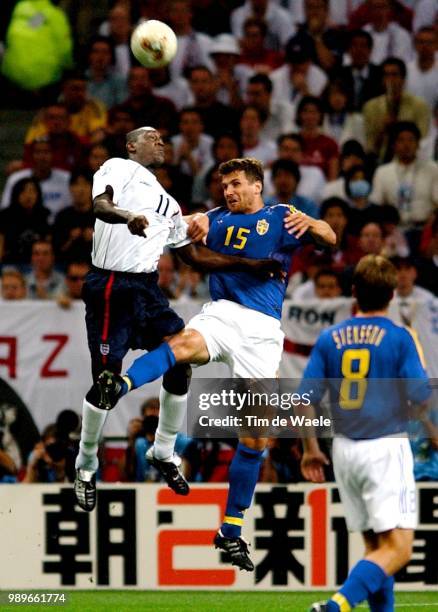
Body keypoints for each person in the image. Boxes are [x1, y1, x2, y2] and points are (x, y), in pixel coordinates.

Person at [94, 157, 336, 570]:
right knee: (185, 344)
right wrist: (188, 228)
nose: (229, 191)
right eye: (224, 185)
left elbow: (330, 237)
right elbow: (177, 236)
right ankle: (120, 385)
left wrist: (312, 225)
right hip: (223, 313)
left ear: (257, 187)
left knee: (257, 439)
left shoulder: (281, 216)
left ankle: (230, 530)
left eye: (237, 184)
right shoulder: (213, 219)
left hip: (263, 333)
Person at [73, 131, 283, 512]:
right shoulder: (118, 168)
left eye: (161, 138)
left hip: (147, 289)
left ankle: (164, 450)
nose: (160, 142)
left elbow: (196, 259)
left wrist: (249, 264)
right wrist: (129, 216)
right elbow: (102, 207)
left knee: (180, 358)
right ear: (131, 146)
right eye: (150, 138)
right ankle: (86, 464)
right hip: (109, 287)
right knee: (104, 384)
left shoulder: (169, 205)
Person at [300, 254, 431, 612]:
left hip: (344, 452)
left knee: (377, 548)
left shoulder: (329, 338)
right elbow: (420, 396)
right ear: (392, 296)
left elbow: (303, 400)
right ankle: (337, 605)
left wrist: (310, 449)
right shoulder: (400, 337)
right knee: (400, 548)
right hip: (385, 447)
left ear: (354, 292)